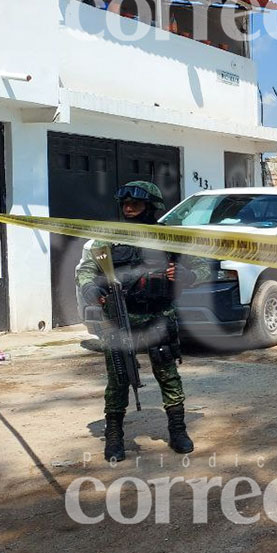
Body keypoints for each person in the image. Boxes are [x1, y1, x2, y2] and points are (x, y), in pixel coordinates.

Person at [77, 181, 207, 462]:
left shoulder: (169, 238)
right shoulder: (110, 238)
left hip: (159, 316)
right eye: (124, 203)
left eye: (135, 203)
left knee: (167, 375)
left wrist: (187, 274)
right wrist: (90, 287)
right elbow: (87, 268)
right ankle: (114, 436)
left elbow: (202, 266)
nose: (128, 207)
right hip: (119, 319)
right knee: (119, 378)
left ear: (152, 206)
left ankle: (177, 430)